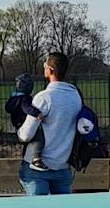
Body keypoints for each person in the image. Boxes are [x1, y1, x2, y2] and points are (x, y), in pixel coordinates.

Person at [16, 52, 83, 196]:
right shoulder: (75, 96)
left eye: (45, 66)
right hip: (63, 165)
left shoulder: (44, 97)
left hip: (37, 169)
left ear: (50, 70)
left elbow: (26, 135)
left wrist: (18, 132)